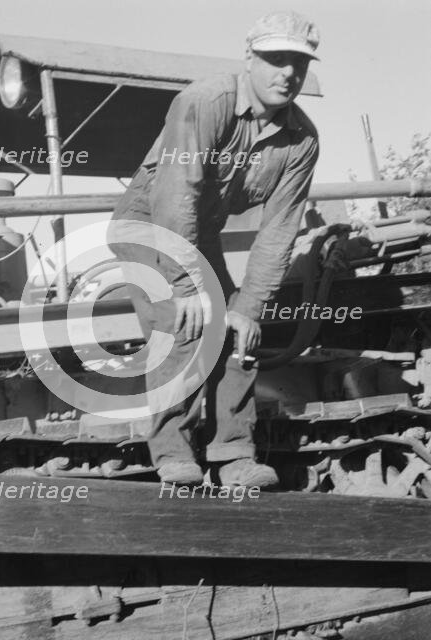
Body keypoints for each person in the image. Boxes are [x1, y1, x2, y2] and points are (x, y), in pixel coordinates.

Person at [107, 11, 320, 486]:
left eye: (299, 64)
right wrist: (183, 287)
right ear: (249, 58)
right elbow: (176, 193)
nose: (288, 73)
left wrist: (250, 306)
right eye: (276, 59)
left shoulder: (302, 140)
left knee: (240, 331)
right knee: (186, 323)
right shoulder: (204, 103)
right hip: (148, 225)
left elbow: (280, 230)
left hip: (198, 236)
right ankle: (172, 453)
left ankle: (235, 454)